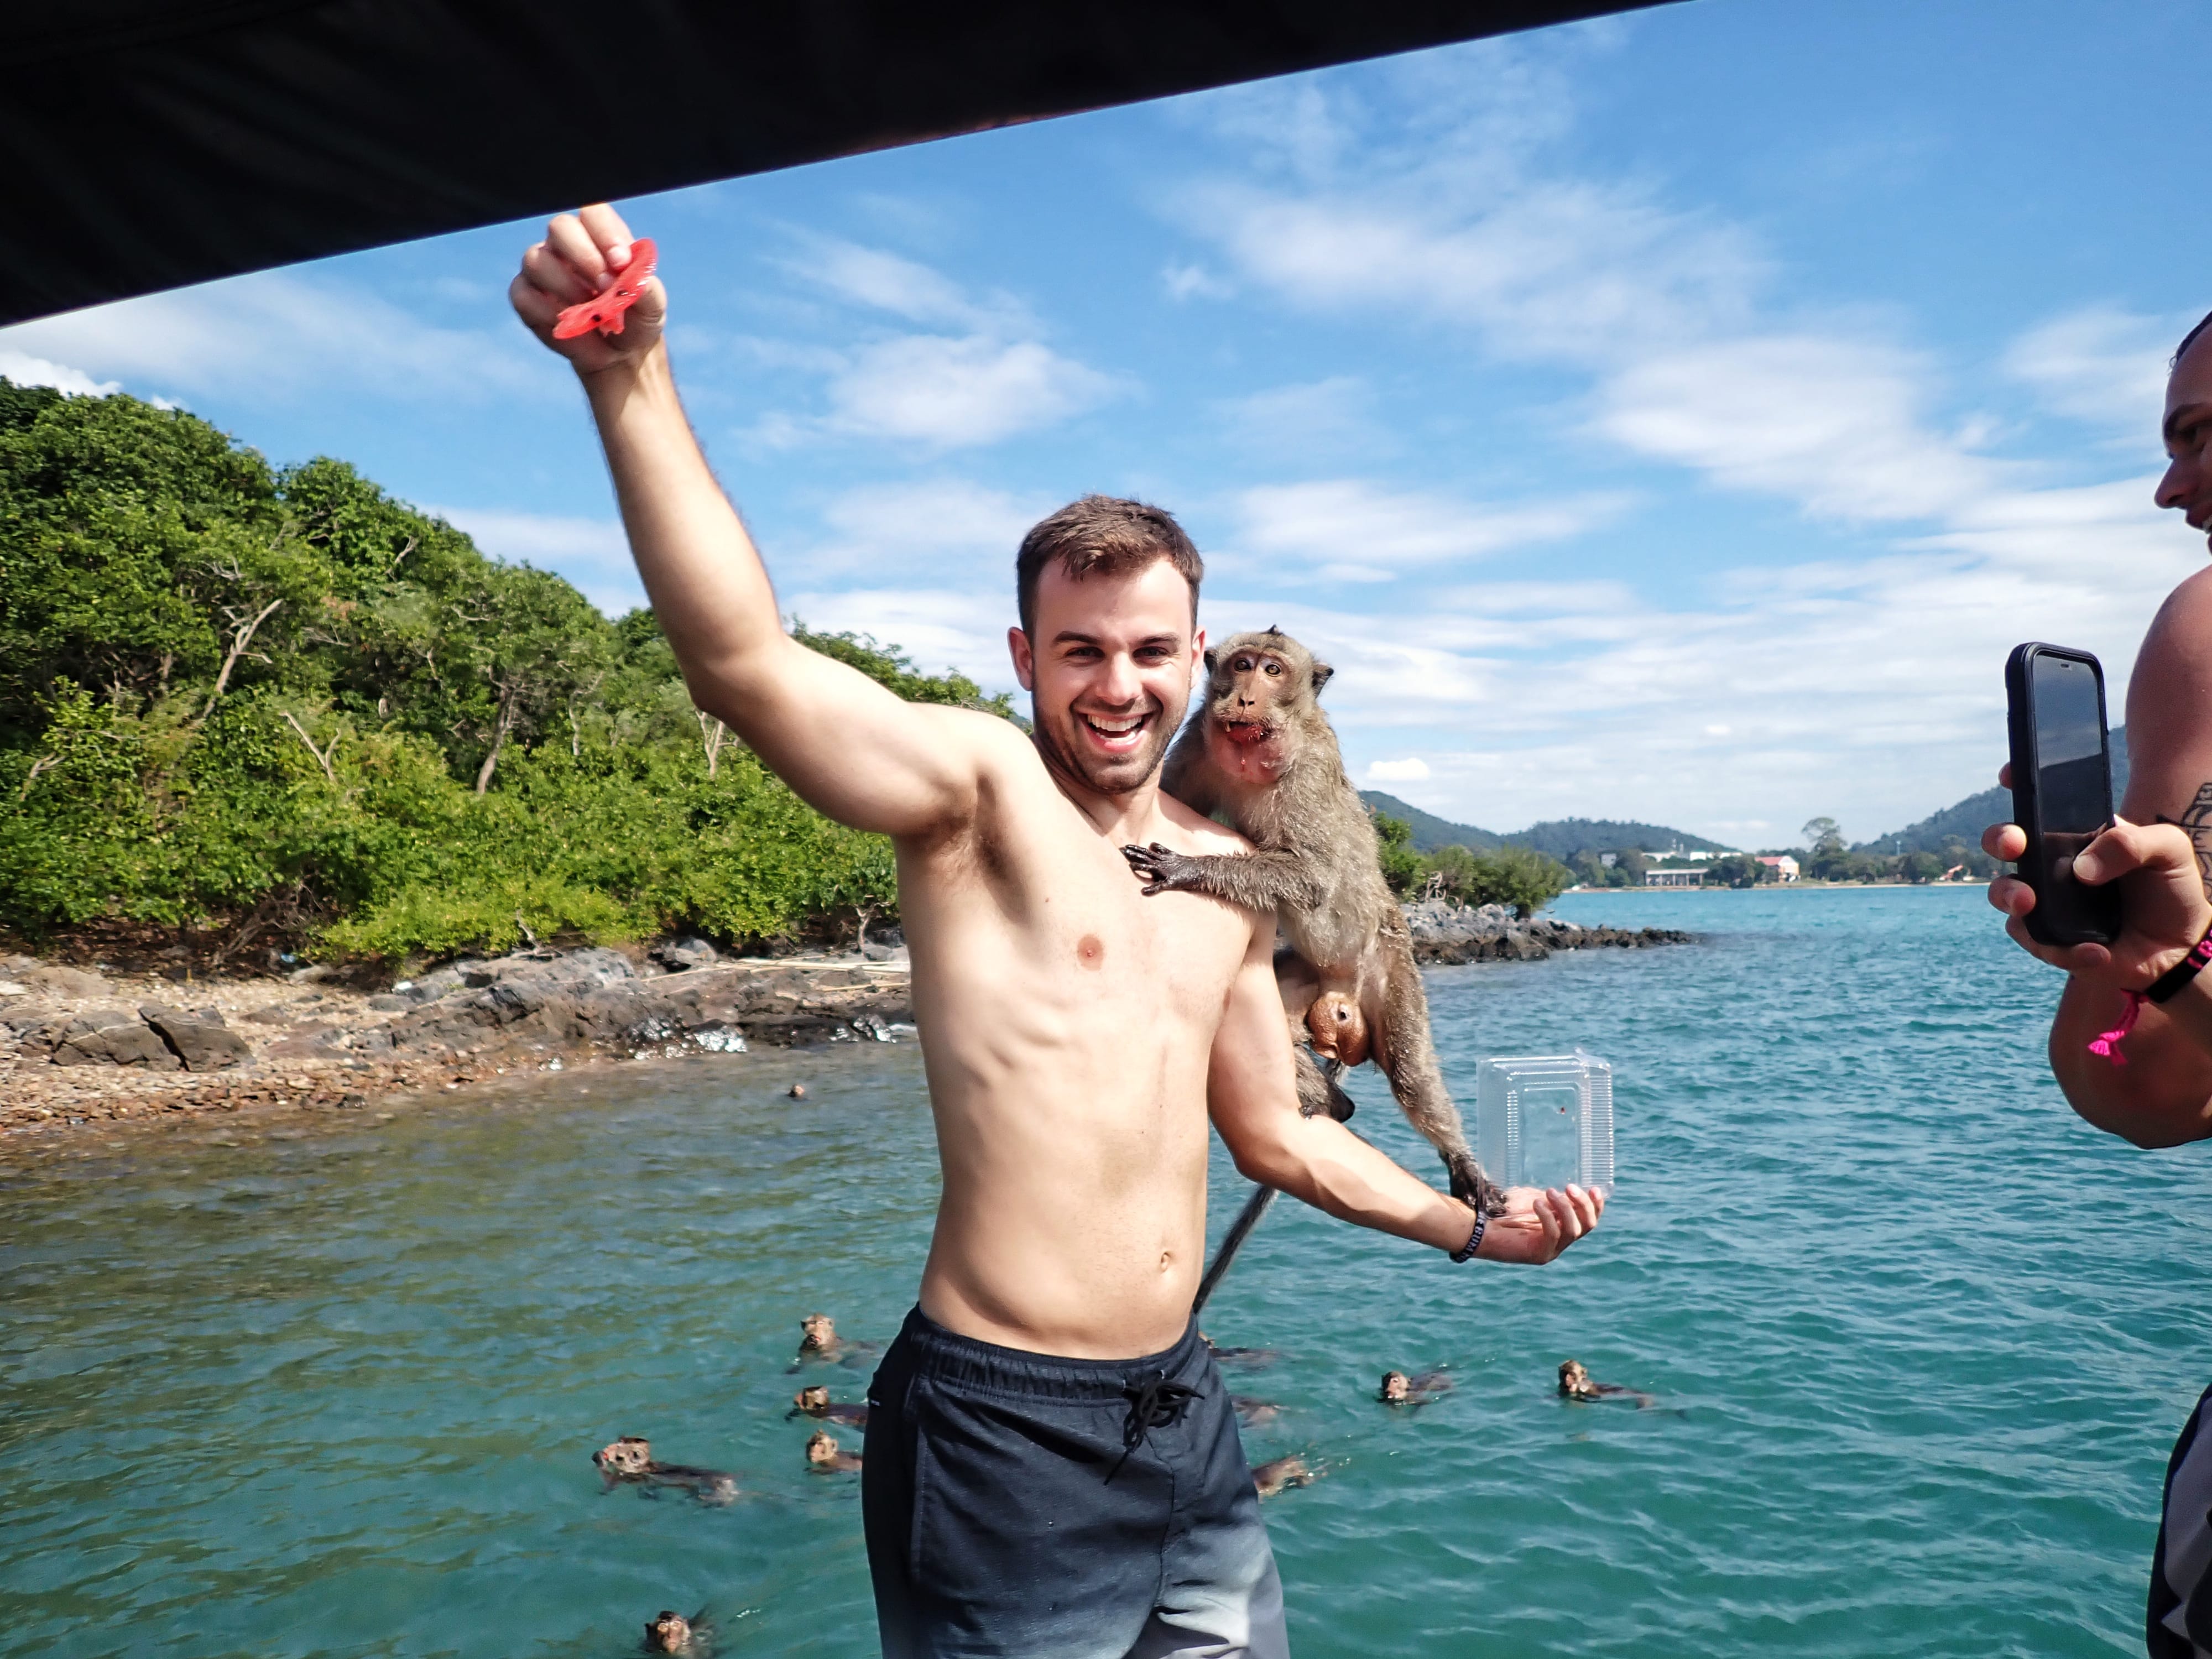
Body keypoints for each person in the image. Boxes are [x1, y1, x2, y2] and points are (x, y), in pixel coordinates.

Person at [513, 202, 1603, 1659]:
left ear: (1198, 658)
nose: (1118, 684)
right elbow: (743, 664)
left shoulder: (1226, 874)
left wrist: (1473, 1227)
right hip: (999, 1432)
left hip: (1185, 1416)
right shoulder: (978, 796)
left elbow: (1280, 1140)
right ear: (1025, 657)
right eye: (1080, 651)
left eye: (1151, 650)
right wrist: (628, 376)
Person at [1983, 307, 2212, 1659]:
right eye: (2174, 437)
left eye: (2204, 435)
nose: (2169, 487)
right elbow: (2143, 1098)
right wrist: (2147, 967)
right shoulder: (2200, 632)